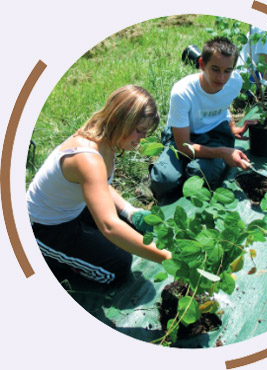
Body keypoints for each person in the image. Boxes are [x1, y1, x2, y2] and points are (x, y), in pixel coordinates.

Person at [27, 85, 171, 285]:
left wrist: (129, 211)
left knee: (138, 232)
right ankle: (48, 263)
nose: (142, 139)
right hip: (44, 227)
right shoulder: (88, 158)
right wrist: (167, 258)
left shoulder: (106, 137)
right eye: (139, 131)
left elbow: (99, 183)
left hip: (72, 209)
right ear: (121, 120)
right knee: (117, 268)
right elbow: (109, 226)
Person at [150, 37, 253, 205]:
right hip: (184, 136)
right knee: (163, 181)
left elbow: (222, 104)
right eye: (215, 69)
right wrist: (222, 152)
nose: (221, 77)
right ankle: (171, 173)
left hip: (215, 135)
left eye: (227, 70)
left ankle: (188, 171)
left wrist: (232, 127)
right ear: (202, 64)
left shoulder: (234, 82)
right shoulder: (183, 93)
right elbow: (184, 146)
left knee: (199, 174)